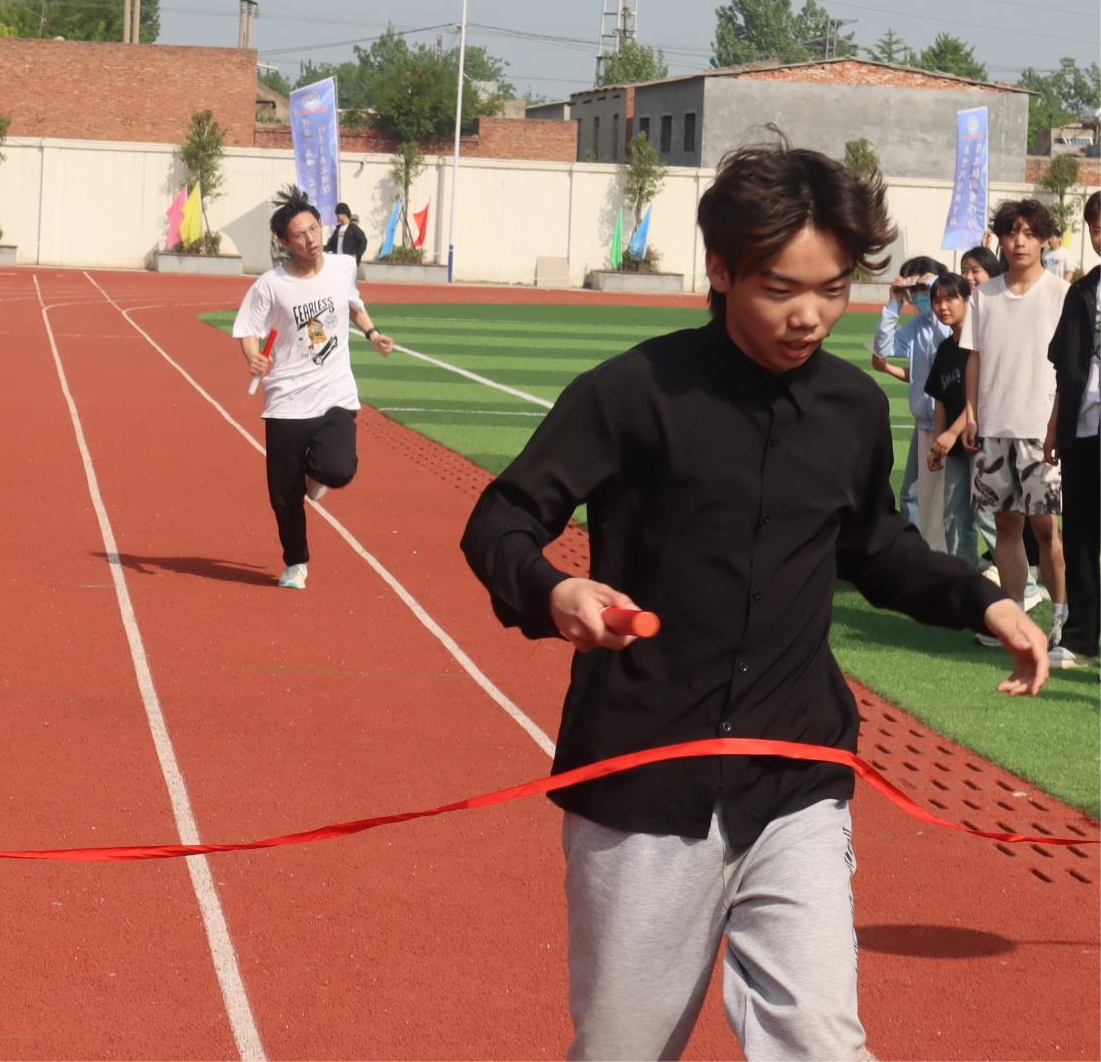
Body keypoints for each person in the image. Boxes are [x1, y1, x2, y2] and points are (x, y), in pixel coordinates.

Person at [460, 137, 1045, 1061]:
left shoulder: (853, 408)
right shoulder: (631, 394)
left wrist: (983, 600)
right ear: (722, 269)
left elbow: (875, 547)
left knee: (820, 1040)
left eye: (834, 288)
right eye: (781, 288)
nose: (810, 314)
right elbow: (500, 520)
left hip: (796, 774)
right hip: (645, 778)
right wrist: (553, 588)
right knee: (623, 1047)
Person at [233, 185, 394, 589]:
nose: (310, 239)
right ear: (284, 242)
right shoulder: (271, 285)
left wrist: (373, 334)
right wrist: (253, 356)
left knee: (338, 469)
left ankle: (316, 477)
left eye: (313, 229)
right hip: (287, 399)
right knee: (283, 496)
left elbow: (353, 303)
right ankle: (296, 563)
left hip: (335, 391)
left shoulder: (342, 267)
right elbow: (249, 329)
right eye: (299, 235)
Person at [962, 198, 1074, 665]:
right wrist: (971, 413)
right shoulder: (983, 296)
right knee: (1005, 526)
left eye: (1029, 233)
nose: (1019, 242)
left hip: (1039, 428)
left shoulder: (1061, 294)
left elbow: (1069, 368)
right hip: (993, 427)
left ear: (1044, 239)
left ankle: (1063, 621)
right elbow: (974, 357)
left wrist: (1056, 424)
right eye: (1011, 233)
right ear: (1001, 239)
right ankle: (1014, 619)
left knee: (1047, 529)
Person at [1043, 190, 1101, 665]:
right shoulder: (1082, 291)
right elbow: (1064, 368)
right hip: (1083, 429)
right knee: (1080, 534)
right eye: (1097, 228)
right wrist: (1055, 429)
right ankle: (1080, 638)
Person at [871, 254, 950, 538]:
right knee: (913, 495)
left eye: (921, 289)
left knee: (950, 500)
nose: (918, 296)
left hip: (949, 424)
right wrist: (894, 303)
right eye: (912, 290)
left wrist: (936, 285)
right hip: (924, 423)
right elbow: (883, 347)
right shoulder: (917, 326)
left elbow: (947, 337)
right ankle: (915, 550)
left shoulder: (950, 323)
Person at [923, 273, 980, 565]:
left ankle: (1023, 584)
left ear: (967, 300)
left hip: (980, 442)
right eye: (936, 300)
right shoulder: (945, 348)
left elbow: (979, 398)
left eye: (950, 298)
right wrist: (938, 442)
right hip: (955, 448)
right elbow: (941, 399)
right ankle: (966, 580)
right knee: (955, 517)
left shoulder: (978, 345)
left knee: (991, 518)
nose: (942, 306)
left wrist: (952, 433)